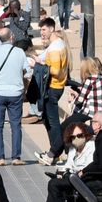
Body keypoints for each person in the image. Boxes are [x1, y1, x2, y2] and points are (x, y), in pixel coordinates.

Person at [0, 23, 28, 164]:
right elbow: (28, 72)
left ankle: (0, 157)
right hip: (16, 92)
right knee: (16, 125)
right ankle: (16, 157)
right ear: (11, 37)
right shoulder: (20, 52)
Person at [35, 18, 70, 164]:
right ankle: (54, 152)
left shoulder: (55, 48)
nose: (42, 33)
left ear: (51, 29)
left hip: (53, 87)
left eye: (44, 30)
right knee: (48, 121)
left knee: (53, 121)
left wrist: (40, 64)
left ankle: (54, 152)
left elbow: (55, 70)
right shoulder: (57, 45)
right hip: (55, 87)